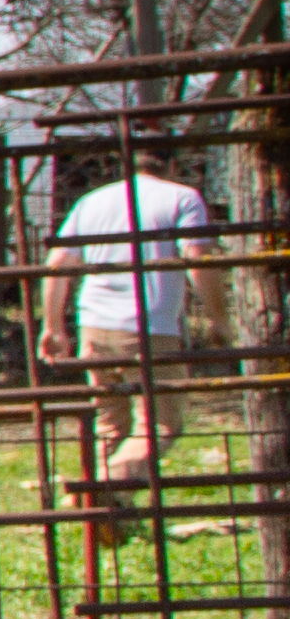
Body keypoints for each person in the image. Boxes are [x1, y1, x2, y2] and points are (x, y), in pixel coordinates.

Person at [42, 124, 216, 488]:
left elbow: (58, 265)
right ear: (172, 163)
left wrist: (53, 326)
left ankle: (110, 524)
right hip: (148, 327)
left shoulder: (93, 201)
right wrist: (218, 316)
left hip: (93, 324)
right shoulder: (183, 198)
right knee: (161, 426)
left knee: (110, 425)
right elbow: (197, 258)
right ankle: (99, 490)